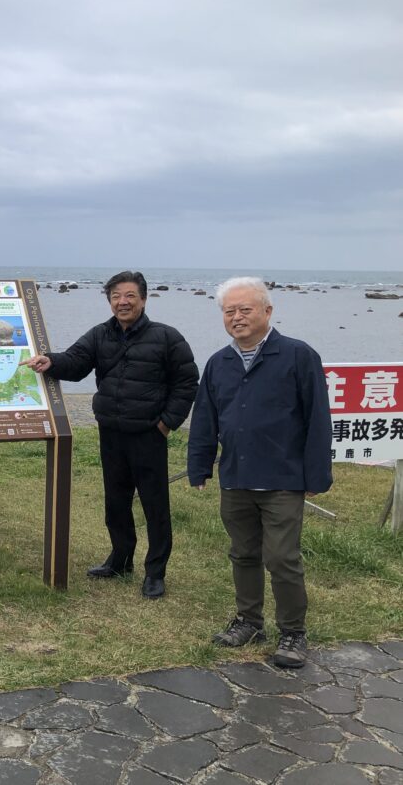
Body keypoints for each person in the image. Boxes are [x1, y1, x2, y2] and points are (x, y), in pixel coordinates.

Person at [188, 276, 332, 669]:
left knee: (282, 557)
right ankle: (249, 621)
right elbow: (205, 418)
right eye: (228, 311)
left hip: (283, 478)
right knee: (243, 553)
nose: (236, 317)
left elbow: (318, 418)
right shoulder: (219, 363)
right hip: (236, 476)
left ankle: (293, 632)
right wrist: (199, 465)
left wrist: (317, 475)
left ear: (267, 311)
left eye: (244, 309)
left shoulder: (298, 355)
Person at [25, 270, 198, 598]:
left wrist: (167, 423)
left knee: (155, 506)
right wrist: (50, 361)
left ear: (143, 299)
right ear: (109, 301)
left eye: (130, 295)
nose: (123, 302)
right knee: (116, 502)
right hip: (111, 433)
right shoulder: (100, 334)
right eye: (116, 296)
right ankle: (120, 560)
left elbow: (187, 382)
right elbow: (76, 362)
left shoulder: (167, 337)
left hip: (148, 434)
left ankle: (155, 572)